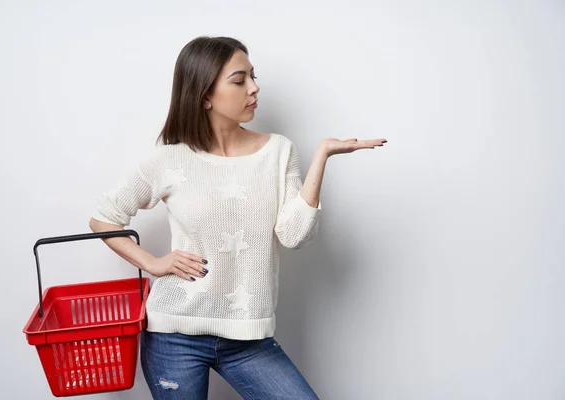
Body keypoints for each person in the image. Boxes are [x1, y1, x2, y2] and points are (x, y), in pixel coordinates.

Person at [89, 36, 387, 400]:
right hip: (173, 335)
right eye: (239, 79)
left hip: (248, 338)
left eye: (253, 76)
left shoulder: (278, 151)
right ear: (205, 95)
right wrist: (152, 263)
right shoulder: (169, 160)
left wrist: (322, 156)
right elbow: (104, 219)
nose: (254, 87)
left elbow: (294, 235)